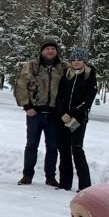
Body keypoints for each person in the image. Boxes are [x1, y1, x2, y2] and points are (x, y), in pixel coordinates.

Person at [14, 40, 66, 186]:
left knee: (52, 147)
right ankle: (27, 175)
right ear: (42, 51)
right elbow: (20, 86)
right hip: (35, 113)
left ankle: (50, 177)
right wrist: (27, 106)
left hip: (54, 114)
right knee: (31, 145)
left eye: (53, 49)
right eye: (47, 49)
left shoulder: (63, 67)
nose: (50, 51)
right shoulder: (31, 66)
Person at [54, 47, 98, 191]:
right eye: (73, 59)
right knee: (64, 149)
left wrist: (72, 113)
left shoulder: (90, 77)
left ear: (84, 60)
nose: (76, 62)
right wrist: (62, 113)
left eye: (79, 59)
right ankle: (64, 183)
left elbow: (87, 101)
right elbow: (59, 97)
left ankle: (84, 185)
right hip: (63, 118)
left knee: (77, 149)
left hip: (78, 120)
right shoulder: (66, 76)